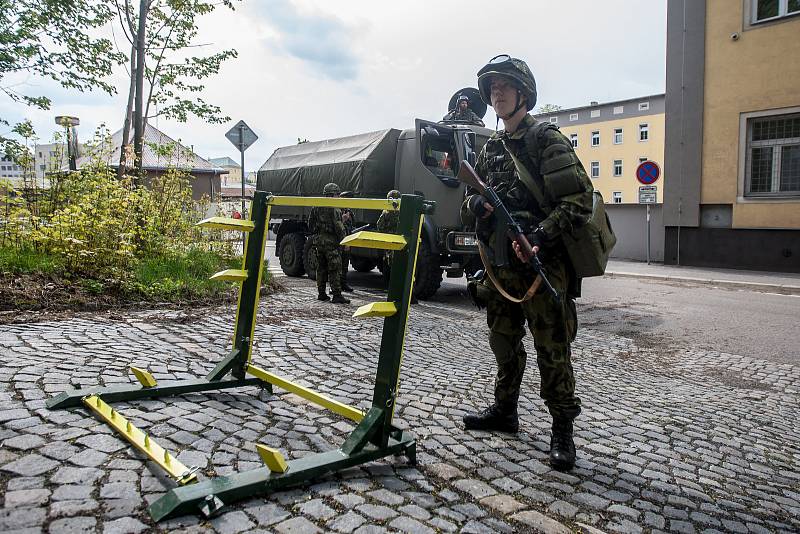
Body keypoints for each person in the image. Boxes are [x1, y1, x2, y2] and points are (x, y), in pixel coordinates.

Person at [460, 54, 594, 471]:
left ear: (524, 94)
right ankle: (505, 412)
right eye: (491, 87)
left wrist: (538, 236)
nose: (495, 93)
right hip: (500, 267)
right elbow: (468, 201)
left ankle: (562, 430)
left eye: (503, 85)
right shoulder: (492, 148)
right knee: (503, 343)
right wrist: (479, 203)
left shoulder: (545, 141)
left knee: (552, 350)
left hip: (541, 265)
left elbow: (579, 201)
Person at [308, 182, 350, 304]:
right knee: (335, 268)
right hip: (331, 243)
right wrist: (345, 241)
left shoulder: (316, 206)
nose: (338, 197)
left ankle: (321, 293)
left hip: (319, 241)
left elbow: (310, 224)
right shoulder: (334, 208)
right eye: (337, 194)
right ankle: (336, 295)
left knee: (321, 268)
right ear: (333, 195)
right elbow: (338, 227)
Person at [376, 190, 417, 304]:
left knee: (392, 272)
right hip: (404, 244)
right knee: (406, 271)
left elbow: (380, 227)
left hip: (391, 245)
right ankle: (411, 296)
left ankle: (394, 295)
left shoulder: (386, 213)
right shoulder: (405, 212)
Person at [339, 191, 355, 292]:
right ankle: (335, 286)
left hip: (347, 241)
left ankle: (343, 284)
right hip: (339, 242)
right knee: (337, 266)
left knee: (345, 265)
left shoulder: (350, 212)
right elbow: (336, 226)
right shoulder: (337, 211)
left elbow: (351, 227)